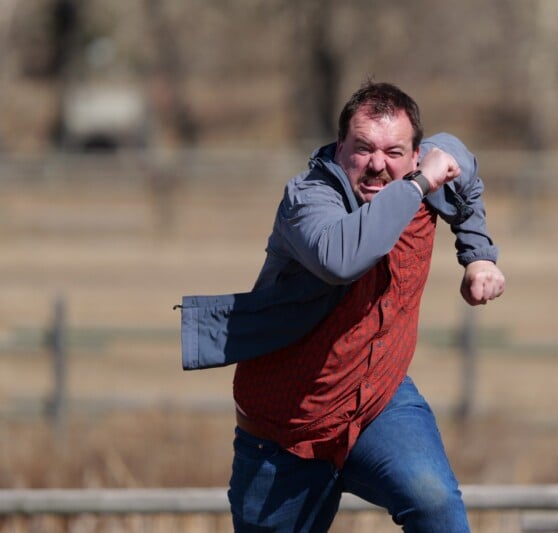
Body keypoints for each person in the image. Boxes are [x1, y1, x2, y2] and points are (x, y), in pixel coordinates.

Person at [179, 81, 504, 532]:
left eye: (394, 152)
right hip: (284, 433)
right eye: (362, 148)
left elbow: (462, 166)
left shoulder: (430, 169)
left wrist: (479, 254)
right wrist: (416, 183)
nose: (377, 165)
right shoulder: (309, 200)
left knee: (436, 505)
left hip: (378, 403)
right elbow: (343, 258)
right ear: (338, 148)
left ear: (416, 153)